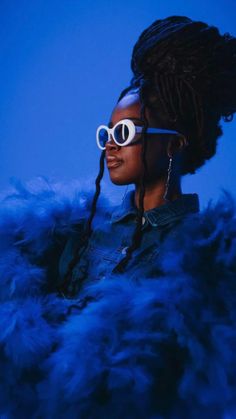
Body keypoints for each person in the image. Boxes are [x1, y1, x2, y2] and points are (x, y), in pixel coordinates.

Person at [0, 15, 236, 419]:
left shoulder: (207, 258)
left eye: (125, 133)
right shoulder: (75, 236)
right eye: (106, 133)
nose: (110, 145)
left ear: (174, 144)